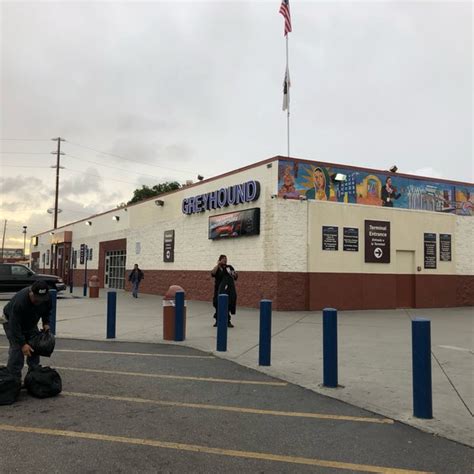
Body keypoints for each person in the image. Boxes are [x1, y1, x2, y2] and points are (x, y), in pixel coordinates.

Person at [1, 280, 51, 381]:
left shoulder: (46, 297)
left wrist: (46, 323)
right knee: (17, 350)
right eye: (36, 299)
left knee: (34, 347)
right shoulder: (20, 302)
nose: (39, 301)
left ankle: (33, 377)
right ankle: (13, 381)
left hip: (30, 322)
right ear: (31, 292)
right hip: (11, 321)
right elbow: (14, 326)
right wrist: (23, 344)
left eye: (41, 299)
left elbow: (47, 310)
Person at [211, 255, 238, 328]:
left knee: (228, 304)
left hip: (227, 289)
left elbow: (235, 276)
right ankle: (217, 321)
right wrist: (218, 265)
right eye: (223, 259)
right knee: (217, 304)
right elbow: (213, 273)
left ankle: (227, 321)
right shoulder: (217, 268)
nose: (225, 260)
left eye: (226, 259)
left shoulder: (229, 267)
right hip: (218, 289)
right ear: (219, 260)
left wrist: (234, 274)